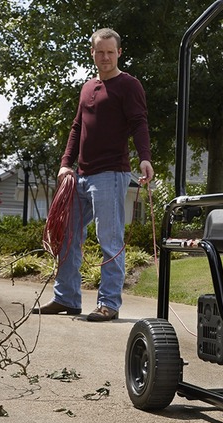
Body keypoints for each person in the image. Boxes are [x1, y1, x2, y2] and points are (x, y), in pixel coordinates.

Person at [33, 28, 154, 322]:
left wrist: (145, 158)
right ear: (92, 53)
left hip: (111, 175)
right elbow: (77, 127)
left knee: (109, 240)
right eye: (100, 52)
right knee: (66, 235)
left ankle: (109, 304)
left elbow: (139, 123)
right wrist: (65, 163)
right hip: (80, 176)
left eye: (110, 52)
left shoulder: (129, 85)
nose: (105, 57)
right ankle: (66, 298)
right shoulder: (87, 88)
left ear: (119, 53)